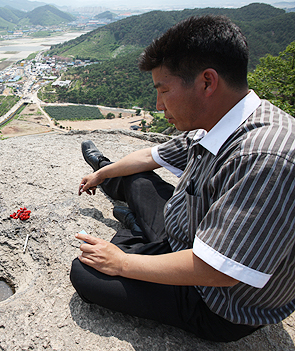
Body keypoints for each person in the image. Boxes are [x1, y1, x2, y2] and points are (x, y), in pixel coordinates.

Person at [70, 15, 295, 342]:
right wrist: (101, 172)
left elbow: (216, 270)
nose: (159, 105)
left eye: (163, 91)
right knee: (140, 178)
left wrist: (121, 264)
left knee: (87, 273)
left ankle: (134, 234)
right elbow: (150, 156)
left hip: (215, 300)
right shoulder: (223, 119)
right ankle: (130, 220)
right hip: (191, 233)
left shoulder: (264, 159)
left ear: (206, 82)